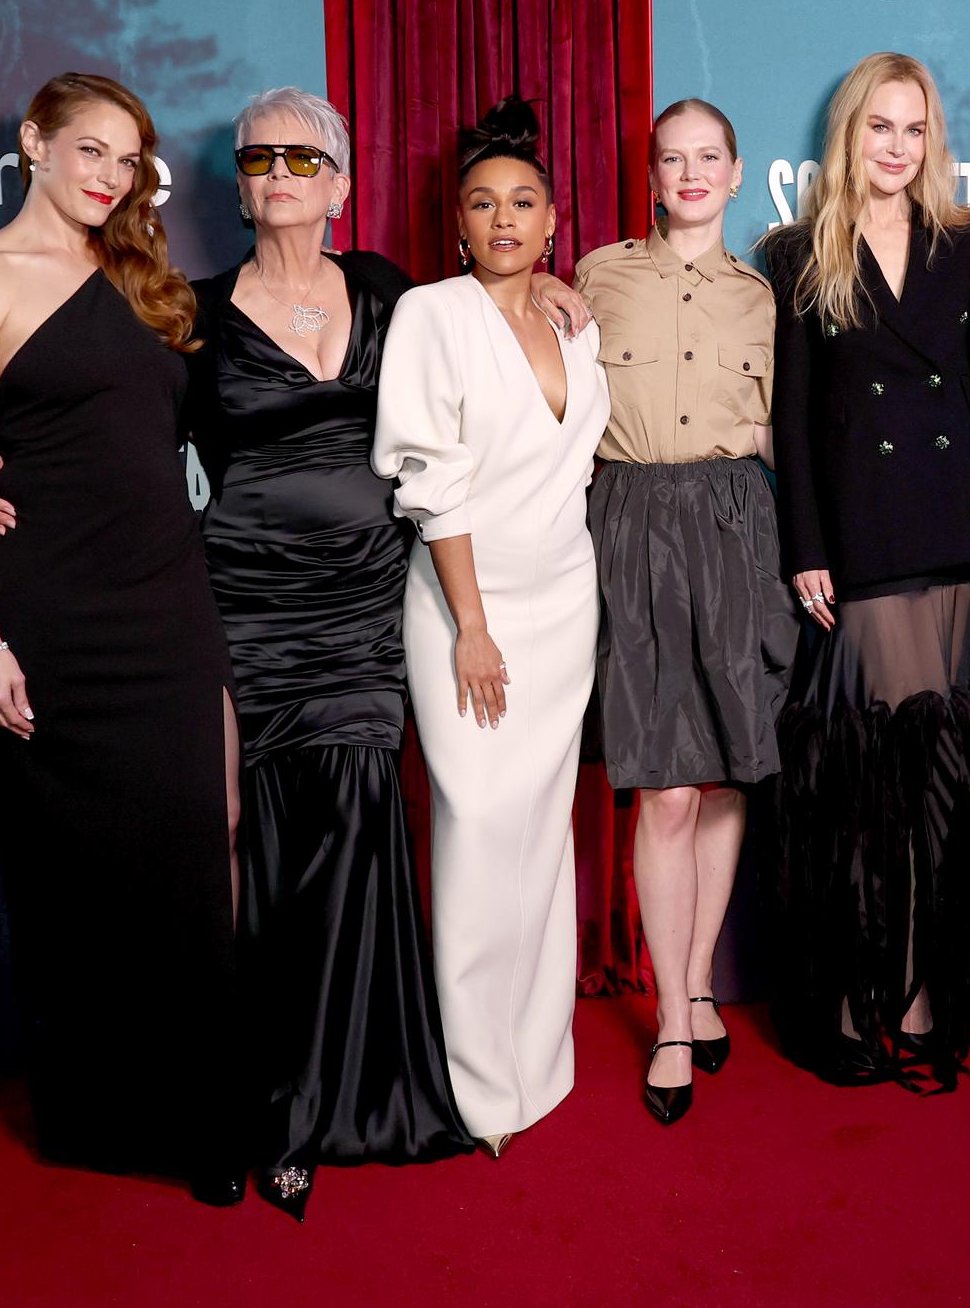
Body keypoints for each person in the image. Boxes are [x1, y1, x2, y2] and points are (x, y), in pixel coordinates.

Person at [0, 71, 245, 1202]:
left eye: (127, 160)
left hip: (167, 601)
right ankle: (103, 1115)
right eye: (90, 151)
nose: (108, 176)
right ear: (34, 144)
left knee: (195, 857)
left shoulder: (136, 275)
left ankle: (202, 1114)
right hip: (52, 614)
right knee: (78, 878)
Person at [189, 88, 475, 1213]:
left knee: (354, 828)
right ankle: (283, 1101)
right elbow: (120, 428)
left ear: (342, 184)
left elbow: (478, 349)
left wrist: (550, 288)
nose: (279, 176)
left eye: (303, 160)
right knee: (272, 848)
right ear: (241, 183)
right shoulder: (196, 311)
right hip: (246, 609)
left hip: (362, 612)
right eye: (259, 159)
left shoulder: (390, 292)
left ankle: (343, 1092)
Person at [766, 50, 970, 1090]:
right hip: (865, 542)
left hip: (950, 538)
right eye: (879, 126)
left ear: (933, 140)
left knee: (948, 788)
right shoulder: (800, 250)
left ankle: (932, 993)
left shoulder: (965, 241)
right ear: (850, 134)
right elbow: (791, 423)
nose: (896, 145)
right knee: (876, 789)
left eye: (915, 127)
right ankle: (862, 997)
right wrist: (805, 545)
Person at [372, 96, 607, 1157]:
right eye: (482, 204)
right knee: (474, 828)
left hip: (564, 603)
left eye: (522, 202)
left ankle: (539, 1056)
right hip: (468, 605)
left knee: (541, 834)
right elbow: (429, 480)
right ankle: (477, 1084)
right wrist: (469, 624)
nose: (503, 220)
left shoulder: (572, 316)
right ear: (457, 223)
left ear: (554, 221)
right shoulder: (432, 313)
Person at [575, 98, 794, 1125]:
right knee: (661, 784)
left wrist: (759, 445)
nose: (692, 173)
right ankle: (670, 1017)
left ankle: (701, 982)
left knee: (724, 770)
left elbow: (803, 421)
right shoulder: (593, 276)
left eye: (710, 156)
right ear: (652, 176)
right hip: (630, 517)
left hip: (738, 523)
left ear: (737, 171)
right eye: (673, 159)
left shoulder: (767, 290)